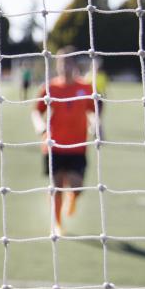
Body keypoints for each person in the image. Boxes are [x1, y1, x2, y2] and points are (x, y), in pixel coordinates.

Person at [31, 48, 98, 236]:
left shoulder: (85, 88)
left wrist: (95, 125)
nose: (64, 66)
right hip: (53, 145)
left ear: (75, 65)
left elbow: (94, 111)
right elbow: (36, 111)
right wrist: (40, 126)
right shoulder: (50, 87)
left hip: (77, 146)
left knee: (76, 186)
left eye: (68, 62)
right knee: (56, 185)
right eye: (61, 62)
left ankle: (73, 198)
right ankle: (57, 224)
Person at [85, 56, 108, 140]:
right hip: (90, 99)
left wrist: (105, 98)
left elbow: (104, 88)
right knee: (93, 117)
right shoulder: (88, 75)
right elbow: (85, 87)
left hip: (99, 99)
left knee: (97, 118)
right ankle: (96, 132)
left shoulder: (102, 75)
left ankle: (98, 134)